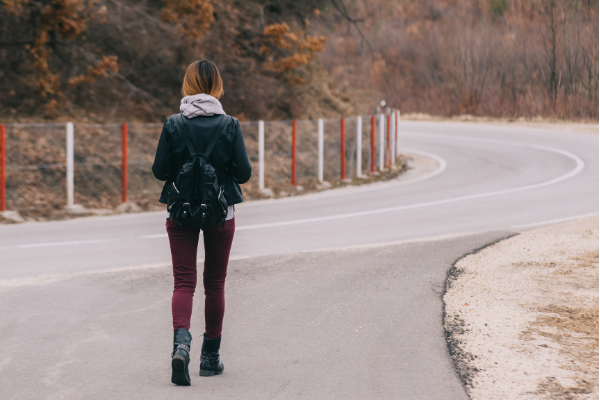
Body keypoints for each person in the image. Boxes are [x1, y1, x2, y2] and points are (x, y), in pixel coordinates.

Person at [152, 60, 251, 386]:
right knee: (214, 284)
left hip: (180, 212)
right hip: (220, 213)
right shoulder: (230, 125)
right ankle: (210, 358)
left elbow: (160, 171)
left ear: (188, 84)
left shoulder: (173, 124)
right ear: (217, 86)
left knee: (183, 283)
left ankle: (181, 346)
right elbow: (243, 174)